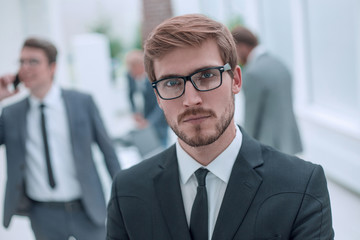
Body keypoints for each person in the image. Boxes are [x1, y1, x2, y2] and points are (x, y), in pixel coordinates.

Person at [106, 14, 334, 240]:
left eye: (206, 75)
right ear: (157, 96)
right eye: (172, 83)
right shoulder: (127, 191)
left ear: (235, 80)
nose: (191, 99)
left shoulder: (301, 185)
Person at [0, 37, 121, 240]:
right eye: (21, 62)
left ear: (52, 67)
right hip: (43, 214)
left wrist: (124, 197)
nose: (25, 68)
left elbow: (108, 152)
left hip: (87, 208)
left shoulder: (82, 102)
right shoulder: (12, 113)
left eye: (33, 61)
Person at [231, 26, 303, 155]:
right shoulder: (280, 64)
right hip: (289, 141)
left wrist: (245, 151)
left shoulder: (252, 73)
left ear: (242, 47)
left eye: (234, 51)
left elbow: (251, 120)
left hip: (268, 147)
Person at [125, 49, 169, 147]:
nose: (130, 72)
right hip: (144, 123)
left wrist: (149, 122)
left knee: (161, 149)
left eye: (132, 68)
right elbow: (130, 95)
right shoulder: (130, 77)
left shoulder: (154, 78)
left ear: (140, 66)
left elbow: (161, 105)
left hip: (158, 124)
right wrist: (134, 112)